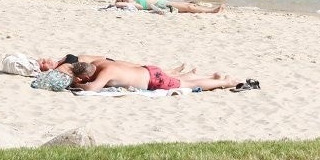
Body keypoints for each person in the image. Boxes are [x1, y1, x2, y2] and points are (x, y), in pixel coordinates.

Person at [69, 59, 246, 93]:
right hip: (148, 70)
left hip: (153, 80)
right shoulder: (100, 63)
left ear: (84, 76)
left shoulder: (105, 73)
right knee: (181, 81)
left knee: (185, 85)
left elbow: (93, 88)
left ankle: (225, 82)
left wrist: (74, 85)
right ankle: (213, 77)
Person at [112, 0, 223, 14]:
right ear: (124, 0)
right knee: (188, 7)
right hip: (162, 5)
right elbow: (117, 4)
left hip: (162, 2)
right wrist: (120, 2)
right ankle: (212, 11)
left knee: (189, 5)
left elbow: (150, 1)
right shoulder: (135, 4)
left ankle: (210, 9)